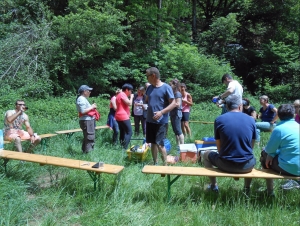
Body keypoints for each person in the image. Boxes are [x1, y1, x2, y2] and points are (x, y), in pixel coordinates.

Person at [203, 94, 256, 193]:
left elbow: (219, 148)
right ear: (240, 106)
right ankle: (247, 188)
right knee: (251, 156)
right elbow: (251, 145)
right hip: (247, 166)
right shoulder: (251, 120)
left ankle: (214, 186)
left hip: (225, 164)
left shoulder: (219, 120)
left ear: (227, 106)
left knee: (206, 154)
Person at [260, 104, 300, 195]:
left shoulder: (279, 129)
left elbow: (269, 150)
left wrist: (271, 154)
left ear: (278, 115)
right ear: (294, 115)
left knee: (264, 154)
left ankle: (270, 191)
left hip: (290, 168)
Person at [145, 67, 176, 165]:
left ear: (153, 76)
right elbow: (148, 100)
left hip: (161, 122)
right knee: (152, 143)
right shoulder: (149, 88)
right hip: (150, 120)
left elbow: (174, 103)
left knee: (160, 144)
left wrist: (161, 112)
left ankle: (165, 166)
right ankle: (155, 163)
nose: (147, 78)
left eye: (147, 76)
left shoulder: (166, 87)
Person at [280, 100, 300, 190]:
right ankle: (291, 180)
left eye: (296, 106)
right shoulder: (295, 118)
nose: (294, 108)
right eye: (294, 106)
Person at [76, 85, 98, 153]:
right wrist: (92, 107)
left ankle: (85, 152)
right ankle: (88, 153)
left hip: (88, 120)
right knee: (89, 137)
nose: (90, 92)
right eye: (89, 91)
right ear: (84, 91)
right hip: (87, 121)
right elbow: (83, 111)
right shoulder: (81, 99)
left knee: (88, 137)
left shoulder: (83, 98)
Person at [115, 83, 134, 149]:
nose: (131, 92)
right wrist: (131, 97)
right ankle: (124, 148)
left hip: (118, 116)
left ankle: (122, 146)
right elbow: (129, 103)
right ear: (126, 90)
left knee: (122, 132)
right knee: (129, 132)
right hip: (122, 116)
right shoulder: (122, 94)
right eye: (131, 91)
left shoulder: (119, 94)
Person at [169, 79, 184, 146]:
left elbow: (178, 104)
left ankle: (182, 146)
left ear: (175, 85)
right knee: (175, 131)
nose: (169, 86)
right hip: (172, 113)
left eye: (170, 85)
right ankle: (178, 146)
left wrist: (170, 104)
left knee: (178, 131)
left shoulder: (177, 93)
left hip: (177, 114)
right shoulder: (173, 93)